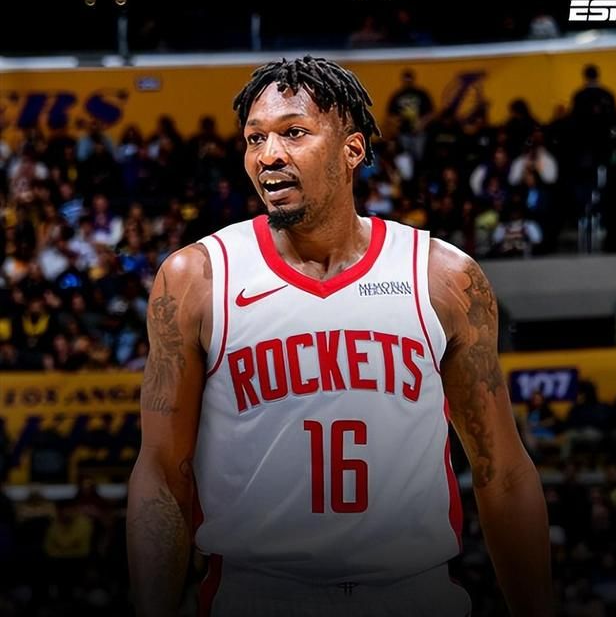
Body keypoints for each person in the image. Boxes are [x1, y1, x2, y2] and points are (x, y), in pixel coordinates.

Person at [127, 55, 552, 617]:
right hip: (258, 596)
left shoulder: (442, 277)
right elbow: (162, 472)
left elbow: (502, 471)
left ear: (352, 150)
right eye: (255, 138)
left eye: (293, 133)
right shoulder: (196, 278)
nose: (268, 155)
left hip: (414, 595)